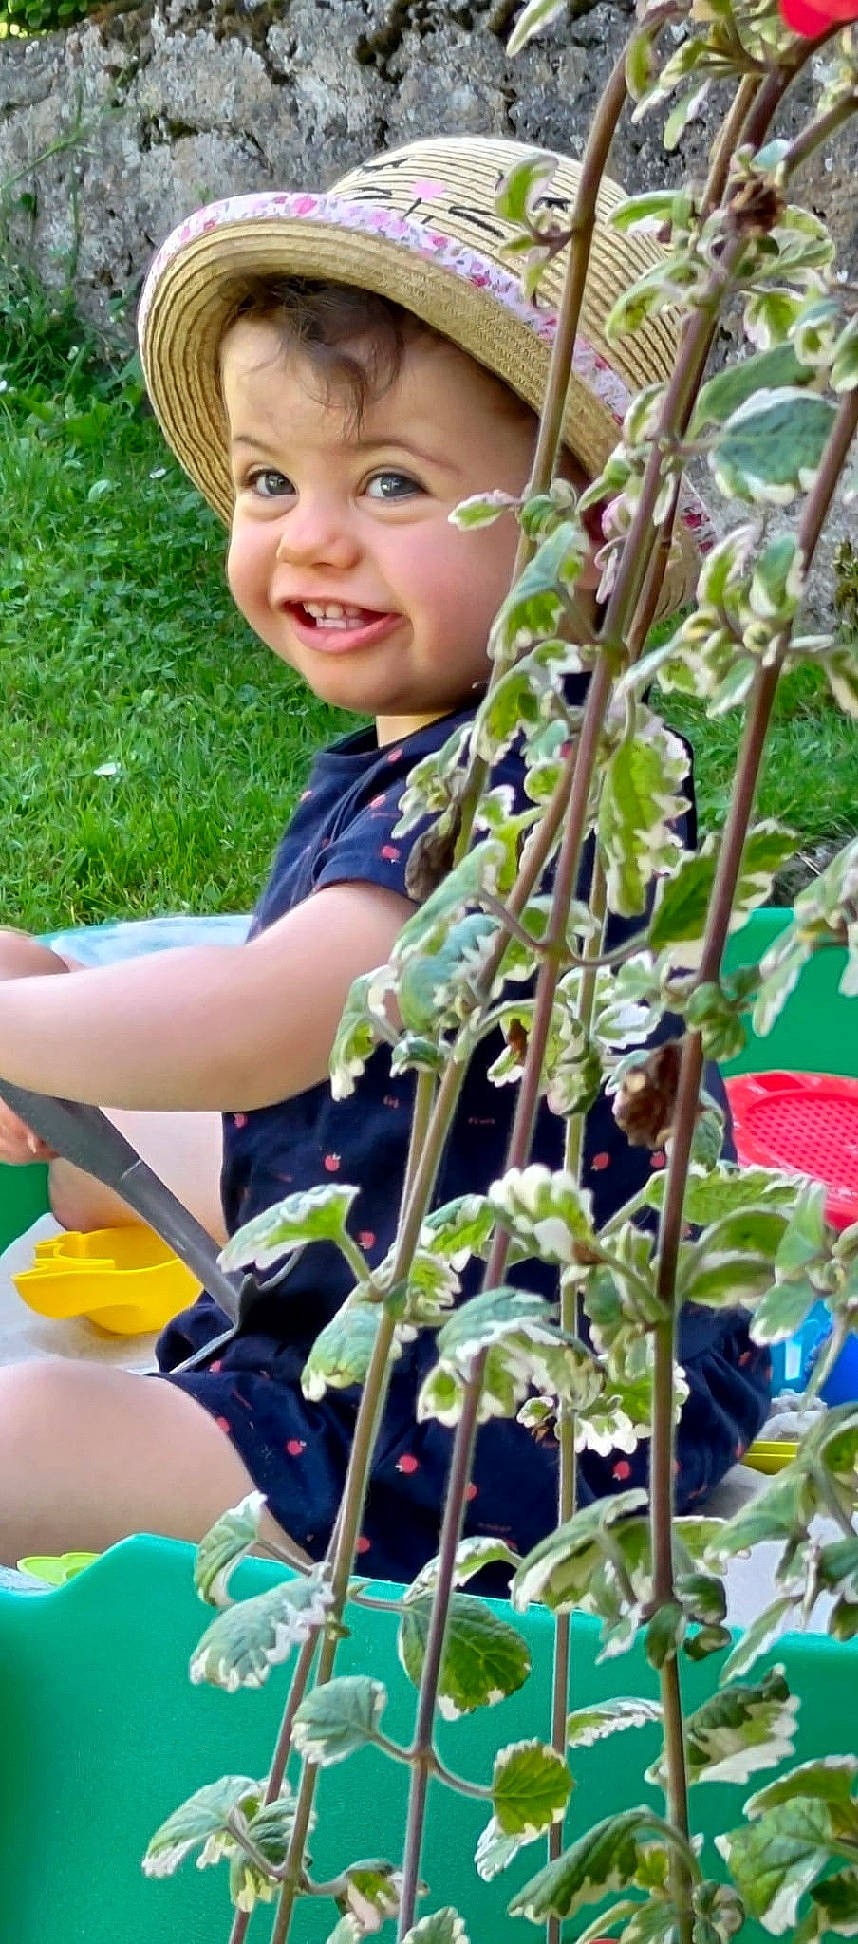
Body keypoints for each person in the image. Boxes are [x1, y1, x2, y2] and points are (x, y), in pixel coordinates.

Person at [0, 136, 769, 1575]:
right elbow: (298, 1066)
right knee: (95, 1169)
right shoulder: (477, 728)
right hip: (438, 1212)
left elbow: (270, 1026)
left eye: (396, 487)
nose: (314, 543)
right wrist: (61, 1038)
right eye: (270, 482)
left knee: (31, 1428)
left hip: (468, 1424)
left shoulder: (514, 786)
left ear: (589, 540)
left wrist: (27, 1022)